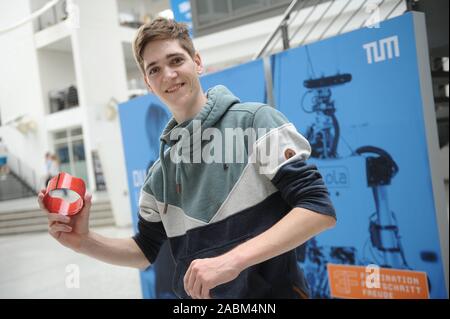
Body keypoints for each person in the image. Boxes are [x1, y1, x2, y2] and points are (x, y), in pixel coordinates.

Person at [38, 17, 336, 299]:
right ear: (147, 82)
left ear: (197, 62)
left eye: (176, 60)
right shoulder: (160, 176)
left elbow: (317, 209)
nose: (167, 75)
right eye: (154, 69)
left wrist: (231, 261)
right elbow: (144, 250)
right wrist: (84, 241)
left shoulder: (255, 122)